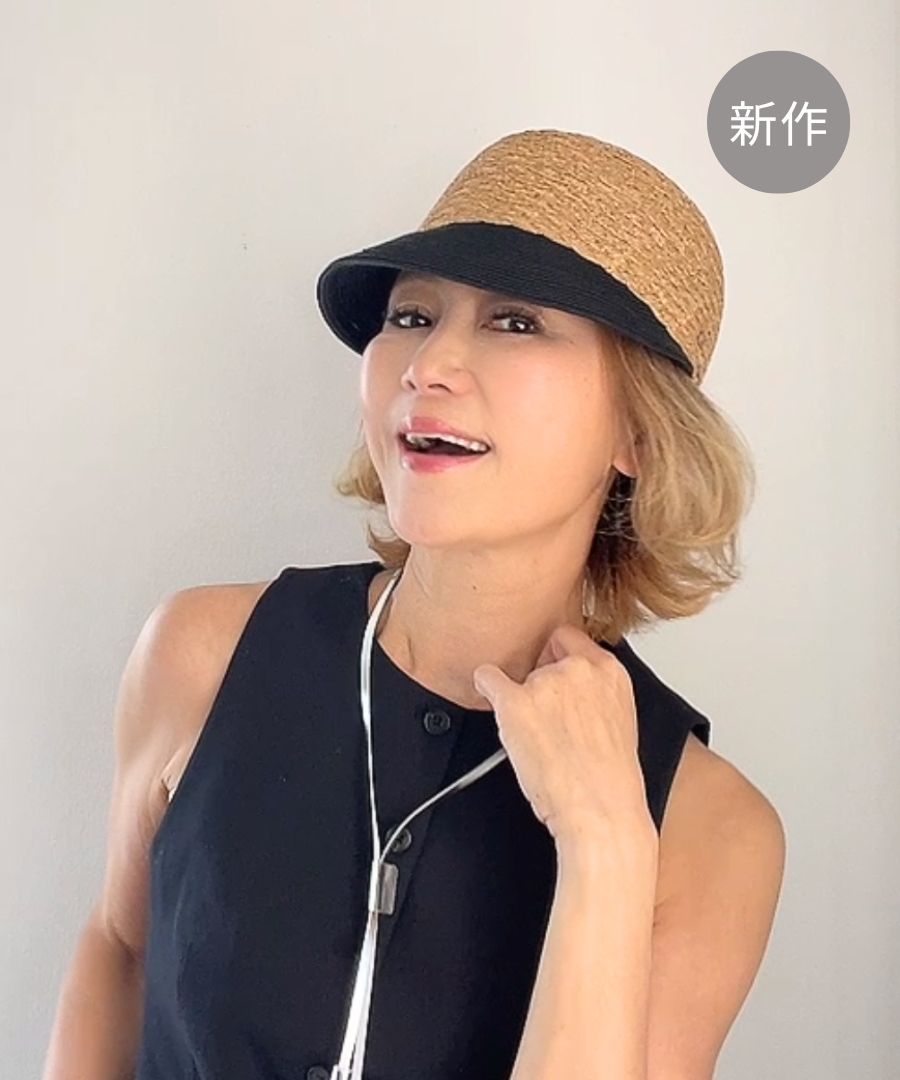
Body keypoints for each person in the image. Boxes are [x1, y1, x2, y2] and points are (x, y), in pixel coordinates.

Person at [43, 128, 785, 1080]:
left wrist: (604, 843)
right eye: (411, 314)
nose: (427, 363)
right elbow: (119, 950)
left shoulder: (711, 829)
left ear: (638, 432)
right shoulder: (203, 654)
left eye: (516, 322)